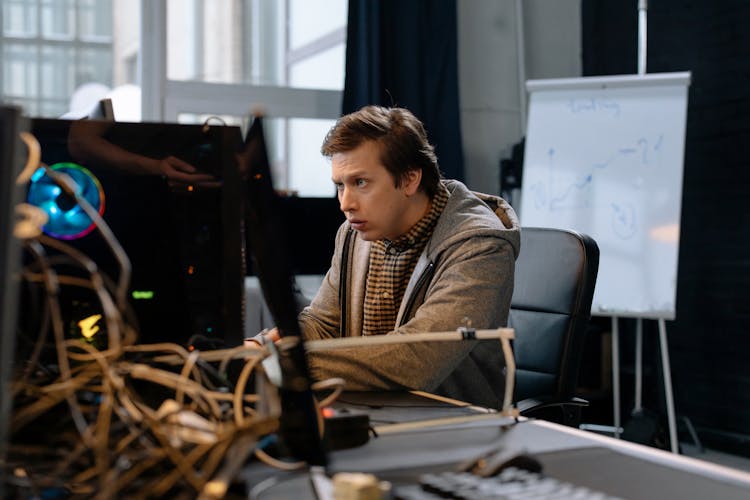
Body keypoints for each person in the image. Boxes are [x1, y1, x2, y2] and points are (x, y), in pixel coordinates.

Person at [249, 105, 520, 409]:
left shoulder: (480, 245)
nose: (345, 203)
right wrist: (257, 350)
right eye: (340, 185)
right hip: (375, 409)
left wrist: (282, 365)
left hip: (454, 424)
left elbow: (416, 359)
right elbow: (324, 324)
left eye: (360, 183)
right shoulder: (353, 233)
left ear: (409, 180)